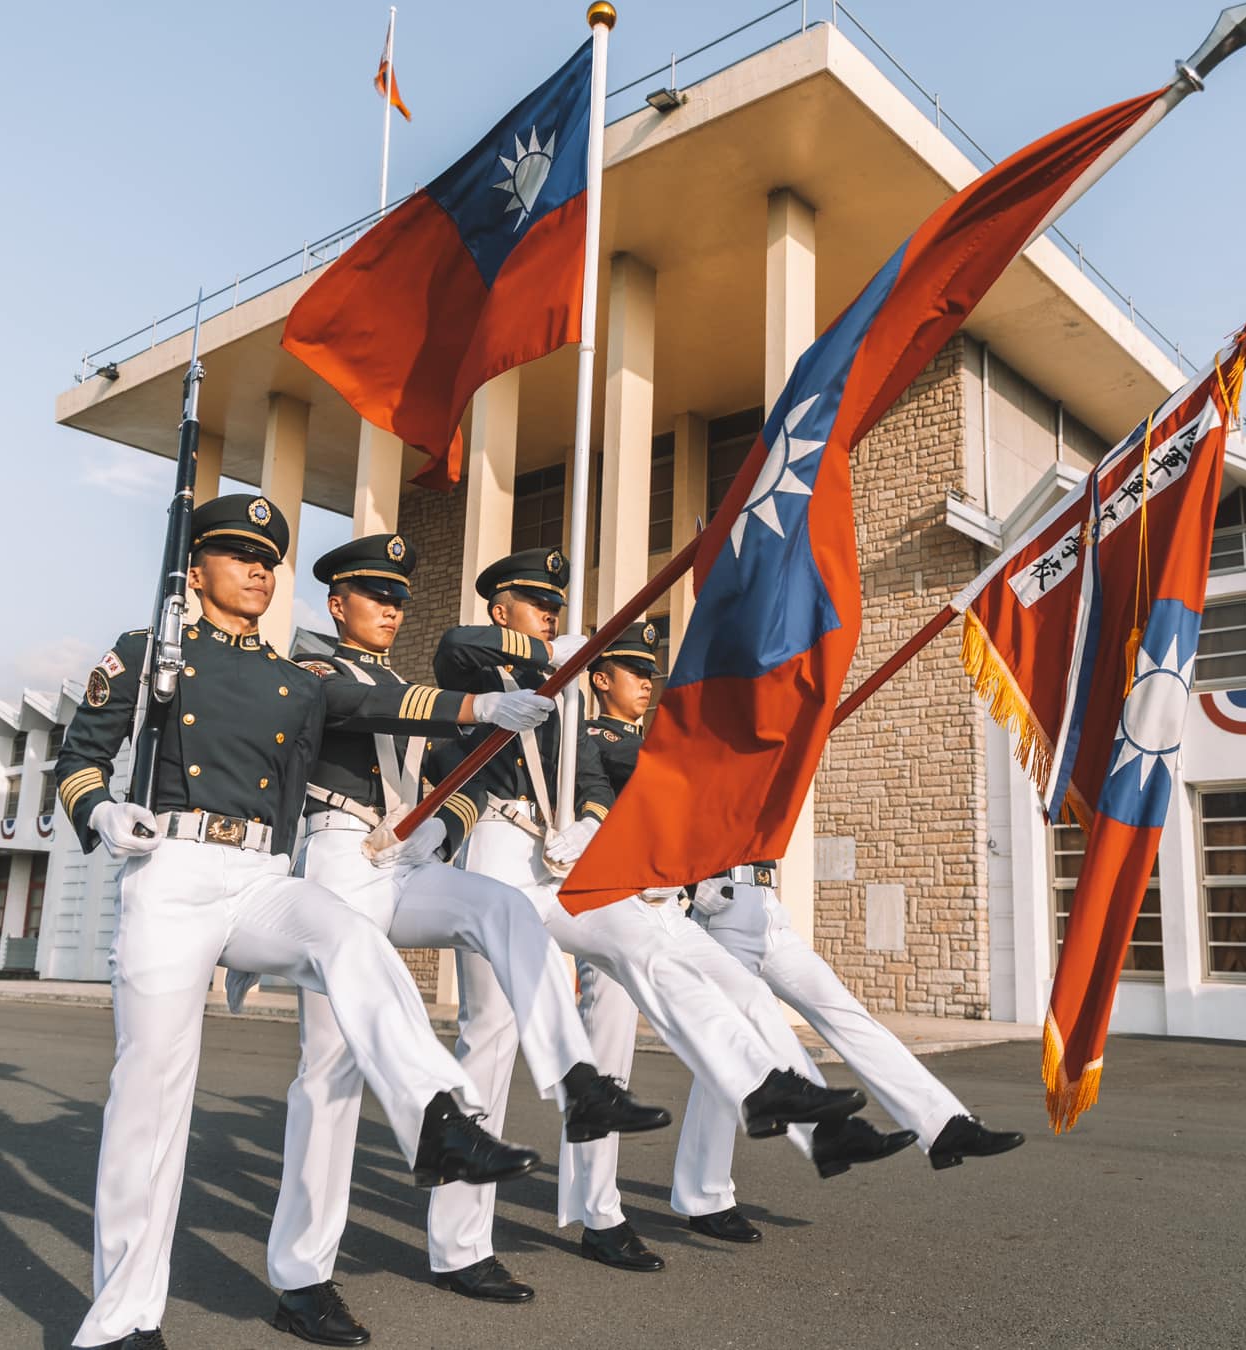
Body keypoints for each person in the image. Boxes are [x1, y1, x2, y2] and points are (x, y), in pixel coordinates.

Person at [55, 496, 551, 1350]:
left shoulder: (295, 678)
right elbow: (81, 754)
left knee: (349, 936)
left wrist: (481, 714)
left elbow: (378, 710)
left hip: (258, 876)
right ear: (196, 567)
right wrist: (101, 813)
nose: (257, 569)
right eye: (236, 553)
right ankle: (123, 1319)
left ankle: (437, 1116)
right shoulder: (150, 651)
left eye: (267, 558)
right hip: (170, 871)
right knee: (152, 1094)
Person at [244, 533, 670, 1347]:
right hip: (340, 857)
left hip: (398, 863)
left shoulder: (402, 684)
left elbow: (461, 771)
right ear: (337, 605)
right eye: (376, 595)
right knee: (332, 1073)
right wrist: (499, 690)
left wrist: (444, 826)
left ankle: (573, 1081)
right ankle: (302, 1280)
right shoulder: (315, 668)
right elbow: (375, 707)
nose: (392, 608)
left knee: (503, 913)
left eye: (399, 597)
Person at [426, 552, 870, 1303]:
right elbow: (454, 649)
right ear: (503, 610)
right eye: (535, 605)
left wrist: (590, 823)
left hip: (568, 854)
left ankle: (605, 1206)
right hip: (499, 849)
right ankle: (460, 1242)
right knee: (494, 1036)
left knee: (632, 990)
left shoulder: (565, 698)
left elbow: (594, 781)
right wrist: (556, 656)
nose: (550, 615)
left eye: (555, 607)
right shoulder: (487, 667)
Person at [571, 626, 927, 1245]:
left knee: (744, 1009)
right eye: (635, 674)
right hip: (610, 911)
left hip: (664, 916)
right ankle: (597, 1214)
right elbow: (672, 782)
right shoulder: (600, 741)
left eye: (651, 675)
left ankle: (817, 1131)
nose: (647, 686)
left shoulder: (657, 744)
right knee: (608, 1072)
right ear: (601, 679)